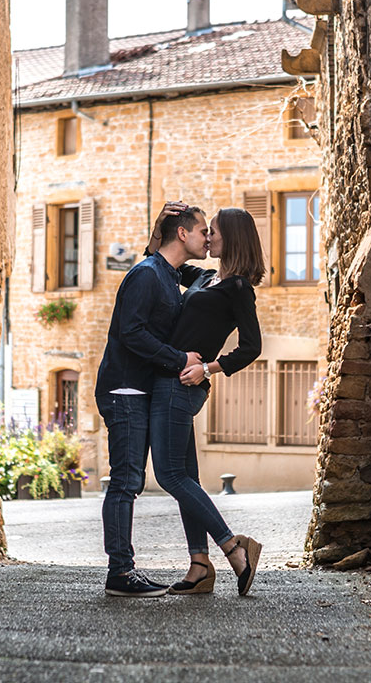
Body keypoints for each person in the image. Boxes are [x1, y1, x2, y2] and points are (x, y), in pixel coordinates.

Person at [144, 207, 265, 596]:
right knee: (187, 478)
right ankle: (199, 566)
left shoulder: (239, 289)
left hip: (183, 384)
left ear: (231, 237)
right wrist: (156, 230)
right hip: (168, 379)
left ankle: (233, 549)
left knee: (169, 475)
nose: (207, 238)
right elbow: (160, 264)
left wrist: (208, 369)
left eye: (212, 231)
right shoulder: (207, 277)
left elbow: (251, 347)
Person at [94, 202, 207, 597]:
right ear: (182, 233)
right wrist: (180, 359)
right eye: (203, 231)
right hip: (125, 390)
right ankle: (120, 574)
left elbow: (207, 278)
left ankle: (123, 571)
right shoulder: (145, 275)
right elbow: (132, 333)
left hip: (140, 391)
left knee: (132, 482)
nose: (208, 238)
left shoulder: (167, 274)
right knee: (126, 482)